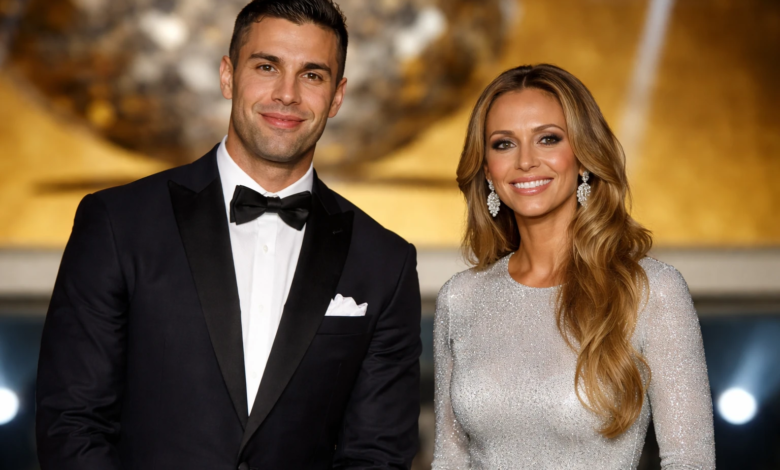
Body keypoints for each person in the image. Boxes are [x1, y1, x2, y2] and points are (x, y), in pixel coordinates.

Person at [36, 1, 422, 468]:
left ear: (337, 97)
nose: (287, 94)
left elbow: (377, 455)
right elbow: (72, 424)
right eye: (266, 67)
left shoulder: (384, 262)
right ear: (227, 76)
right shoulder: (119, 223)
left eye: (312, 75)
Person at [432, 64, 715, 469]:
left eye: (548, 139)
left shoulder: (650, 289)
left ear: (583, 158)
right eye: (504, 144)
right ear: (487, 170)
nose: (526, 161)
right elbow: (449, 460)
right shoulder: (461, 298)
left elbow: (690, 460)